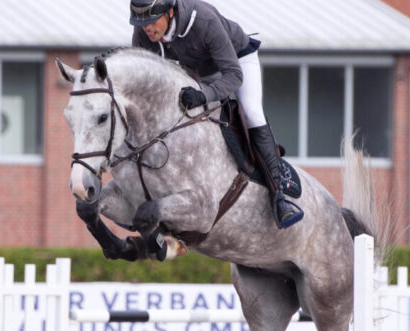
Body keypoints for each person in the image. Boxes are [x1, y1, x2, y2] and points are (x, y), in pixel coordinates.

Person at [129, 0, 303, 229]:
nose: (146, 28)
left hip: (236, 61)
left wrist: (204, 94)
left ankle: (279, 196)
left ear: (170, 12)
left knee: (251, 111)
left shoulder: (203, 20)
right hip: (197, 72)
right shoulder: (143, 32)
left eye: (152, 22)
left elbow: (233, 75)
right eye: (142, 23)